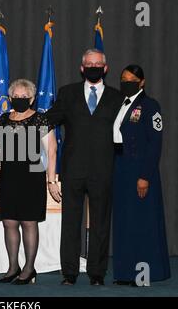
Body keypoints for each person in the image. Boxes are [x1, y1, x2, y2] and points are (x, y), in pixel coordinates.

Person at [45, 49, 124, 286]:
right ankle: (69, 272)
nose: (93, 67)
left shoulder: (117, 97)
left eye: (97, 64)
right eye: (89, 64)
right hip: (73, 169)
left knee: (100, 222)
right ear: (82, 68)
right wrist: (20, 118)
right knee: (70, 222)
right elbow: (50, 118)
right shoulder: (67, 93)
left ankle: (97, 272)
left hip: (104, 169)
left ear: (105, 68)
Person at [0, 79, 60, 285]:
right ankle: (13, 267)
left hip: (32, 177)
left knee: (29, 222)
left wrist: (51, 181)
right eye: (16, 96)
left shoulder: (40, 119)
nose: (20, 99)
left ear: (32, 99)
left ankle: (29, 268)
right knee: (9, 223)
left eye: (24, 97)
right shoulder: (3, 119)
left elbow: (51, 150)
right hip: (8, 177)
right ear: (10, 97)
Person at [112, 65, 171, 286]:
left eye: (132, 79)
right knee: (124, 222)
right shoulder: (119, 103)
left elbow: (155, 144)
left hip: (140, 172)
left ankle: (144, 274)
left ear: (142, 82)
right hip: (120, 169)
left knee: (142, 222)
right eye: (123, 78)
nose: (127, 82)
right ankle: (125, 272)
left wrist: (145, 175)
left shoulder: (150, 106)